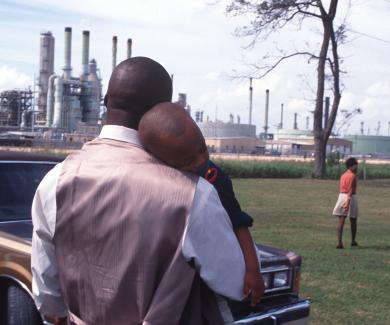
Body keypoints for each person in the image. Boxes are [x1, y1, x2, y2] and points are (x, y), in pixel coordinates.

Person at [31, 57, 247, 325]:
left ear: (106, 99)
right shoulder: (194, 195)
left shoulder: (55, 181)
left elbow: (48, 295)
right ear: (163, 109)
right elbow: (235, 282)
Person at [138, 102, 264, 305]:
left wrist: (253, 270)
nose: (199, 161)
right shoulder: (153, 179)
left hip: (212, 270)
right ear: (158, 160)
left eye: (202, 149)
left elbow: (238, 223)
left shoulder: (214, 178)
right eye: (187, 161)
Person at [332, 157, 359, 249]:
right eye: (356, 166)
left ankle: (339, 242)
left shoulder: (343, 175)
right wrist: (348, 202)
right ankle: (353, 240)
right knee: (353, 220)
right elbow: (350, 190)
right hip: (350, 197)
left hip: (341, 196)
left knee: (341, 221)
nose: (357, 168)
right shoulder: (353, 176)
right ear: (352, 166)